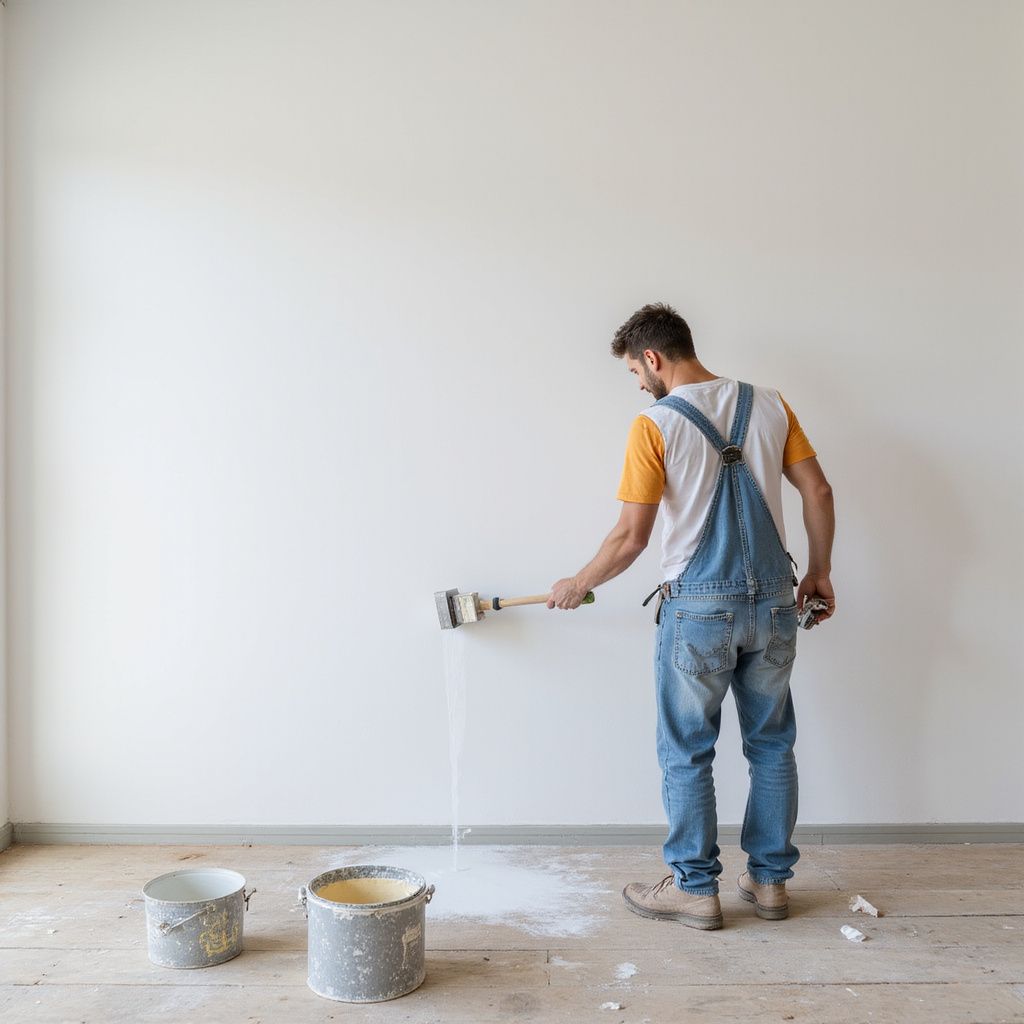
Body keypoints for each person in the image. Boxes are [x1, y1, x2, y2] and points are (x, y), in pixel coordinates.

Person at [548, 302, 835, 930]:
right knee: (771, 744)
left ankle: (695, 892)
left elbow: (630, 538)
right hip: (775, 606)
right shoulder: (772, 404)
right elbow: (818, 491)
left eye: (633, 370)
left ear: (652, 358)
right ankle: (769, 885)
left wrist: (578, 583)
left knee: (686, 751)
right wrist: (818, 573)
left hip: (699, 612)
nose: (638, 382)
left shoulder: (653, 425)